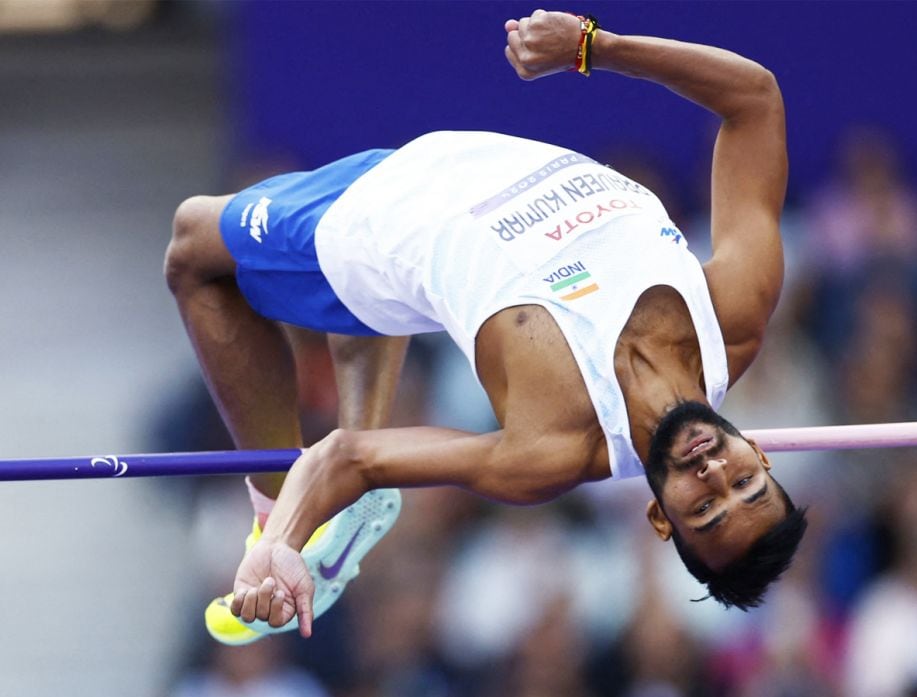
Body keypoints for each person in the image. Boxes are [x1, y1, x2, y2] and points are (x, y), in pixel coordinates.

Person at [164, 10, 807, 643]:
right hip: (447, 165)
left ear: (660, 517)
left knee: (194, 247)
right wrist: (594, 47)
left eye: (702, 507)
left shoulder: (550, 448)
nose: (715, 474)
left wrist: (281, 543)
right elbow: (754, 100)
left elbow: (348, 459)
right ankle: (344, 506)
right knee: (366, 303)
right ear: (762, 454)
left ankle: (274, 500)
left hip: (383, 216)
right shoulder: (736, 316)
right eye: (747, 483)